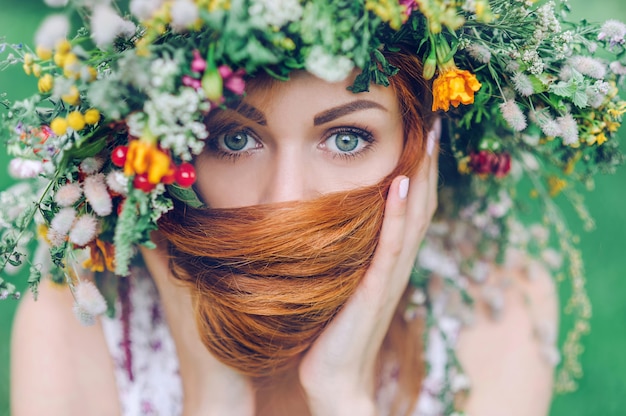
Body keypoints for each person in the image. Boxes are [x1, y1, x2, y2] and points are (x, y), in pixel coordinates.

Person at [1, 1, 623, 415]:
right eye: (234, 139)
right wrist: (214, 393)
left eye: (347, 139)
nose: (287, 196)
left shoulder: (495, 304)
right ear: (158, 146)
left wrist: (340, 393)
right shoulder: (80, 312)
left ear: (423, 145)